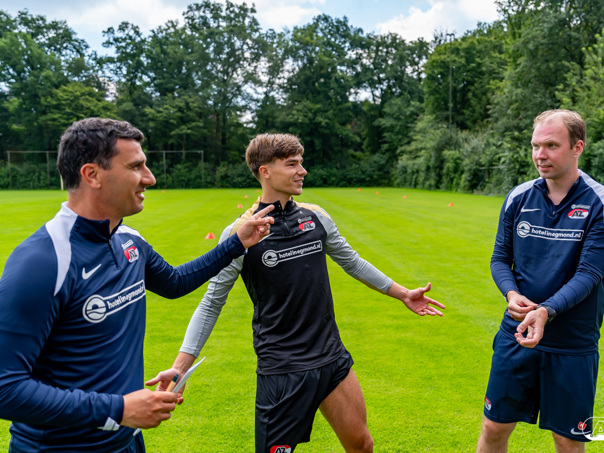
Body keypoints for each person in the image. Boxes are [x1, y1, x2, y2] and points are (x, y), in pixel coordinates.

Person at [148, 133, 445, 453]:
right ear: (265, 171)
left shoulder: (316, 216)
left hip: (332, 358)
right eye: (291, 164)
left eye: (301, 162)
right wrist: (180, 367)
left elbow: (353, 262)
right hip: (282, 369)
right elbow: (211, 303)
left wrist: (403, 294)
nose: (302, 171)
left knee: (362, 445)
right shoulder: (240, 233)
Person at [0, 118, 274, 453]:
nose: (150, 178)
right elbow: (5, 388)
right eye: (135, 166)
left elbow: (174, 282)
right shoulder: (43, 261)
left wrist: (236, 243)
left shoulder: (128, 240)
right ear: (92, 175)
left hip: (127, 441)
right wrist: (118, 409)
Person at [477, 109, 604, 453]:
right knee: (494, 427)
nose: (540, 155)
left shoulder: (599, 202)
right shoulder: (518, 197)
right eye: (535, 146)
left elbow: (590, 273)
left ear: (577, 147)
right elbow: (500, 258)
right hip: (517, 333)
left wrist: (546, 311)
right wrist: (510, 293)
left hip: (572, 342)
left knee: (568, 439)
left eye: (551, 145)